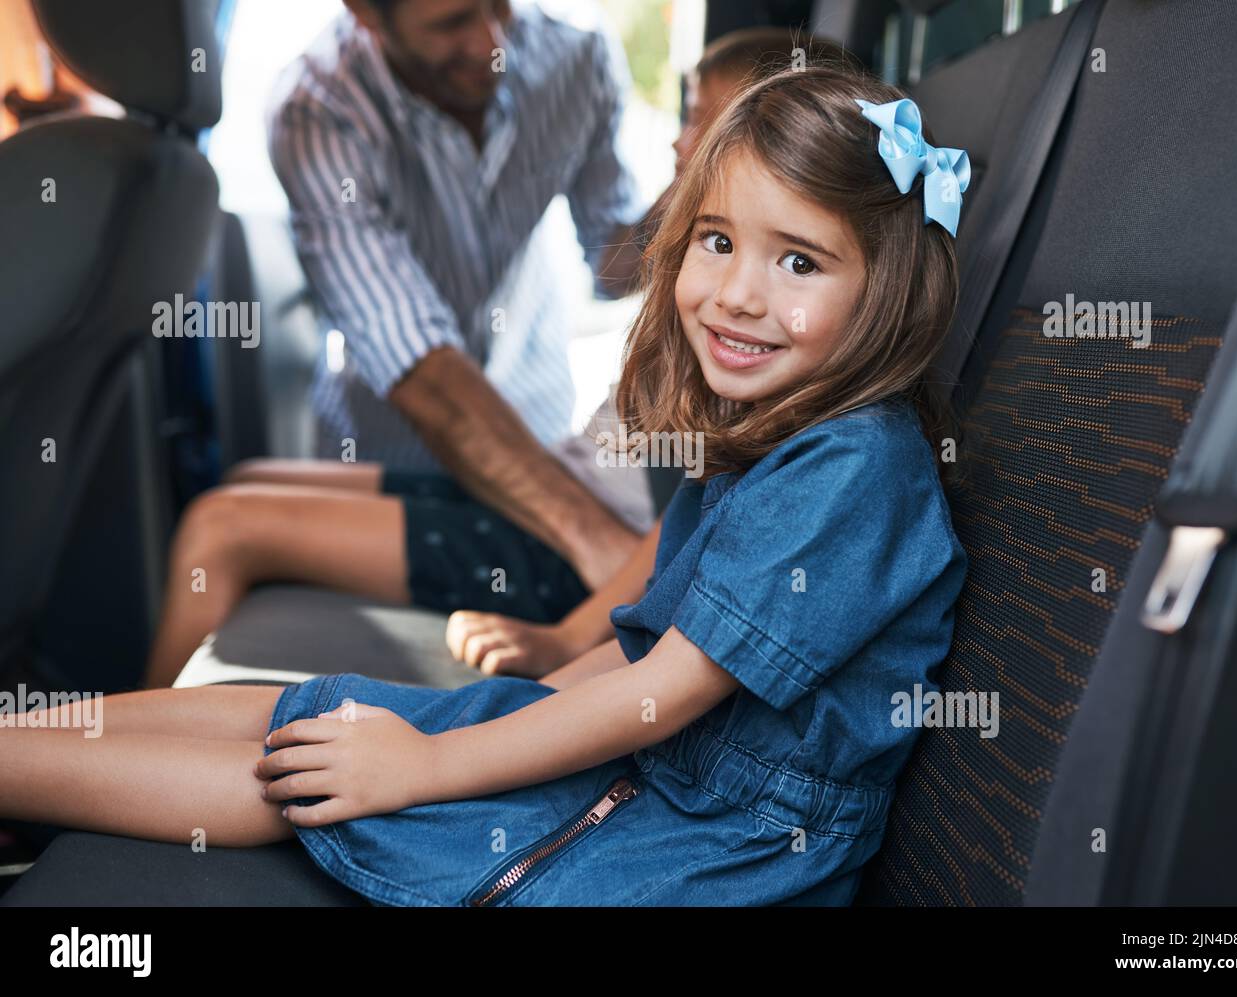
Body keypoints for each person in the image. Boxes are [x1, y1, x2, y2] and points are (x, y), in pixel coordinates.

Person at [3, 61, 969, 906]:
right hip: (668, 764)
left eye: (798, 260)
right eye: (716, 240)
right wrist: (518, 705)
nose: (738, 292)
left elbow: (667, 692)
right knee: (317, 709)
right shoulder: (782, 439)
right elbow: (644, 650)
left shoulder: (854, 468)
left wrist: (430, 761)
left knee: (302, 783)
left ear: (883, 289)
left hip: (710, 839)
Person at [141, 21, 847, 689]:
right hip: (549, 479)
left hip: (581, 553)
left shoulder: (742, 333)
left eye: (703, 124)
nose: (677, 143)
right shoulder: (319, 107)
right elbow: (412, 354)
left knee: (219, 528)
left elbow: (692, 504)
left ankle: (127, 770)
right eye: (449, 21)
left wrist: (579, 624)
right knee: (247, 480)